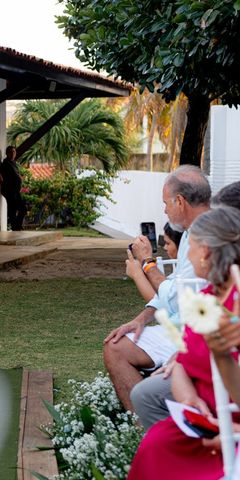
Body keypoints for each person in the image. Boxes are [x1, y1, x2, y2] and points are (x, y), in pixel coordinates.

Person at [128, 206, 240, 480]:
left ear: (205, 252)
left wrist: (229, 430)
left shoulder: (234, 306)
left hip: (230, 423)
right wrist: (189, 399)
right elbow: (181, 362)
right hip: (202, 419)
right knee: (156, 443)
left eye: (191, 245)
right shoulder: (205, 297)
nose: (185, 254)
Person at [104, 165, 210, 413]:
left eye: (166, 203)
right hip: (185, 329)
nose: (164, 209)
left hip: (197, 337)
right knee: (117, 343)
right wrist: (141, 319)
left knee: (116, 350)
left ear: (180, 201)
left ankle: (145, 426)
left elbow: (173, 297)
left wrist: (147, 261)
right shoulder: (192, 232)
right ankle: (143, 425)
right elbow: (173, 292)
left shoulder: (204, 236)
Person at [126, 223, 183, 302]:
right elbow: (160, 291)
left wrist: (137, 274)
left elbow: (161, 303)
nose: (165, 247)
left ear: (182, 244)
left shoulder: (188, 271)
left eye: (168, 243)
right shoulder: (182, 268)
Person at [0, 146, 27, 231]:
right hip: (10, 191)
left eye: (14, 152)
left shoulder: (13, 163)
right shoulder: (5, 163)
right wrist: (4, 184)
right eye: (11, 152)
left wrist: (19, 178)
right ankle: (16, 227)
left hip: (15, 191)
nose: (13, 153)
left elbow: (16, 175)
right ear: (7, 153)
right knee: (19, 209)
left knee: (18, 209)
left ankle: (16, 227)